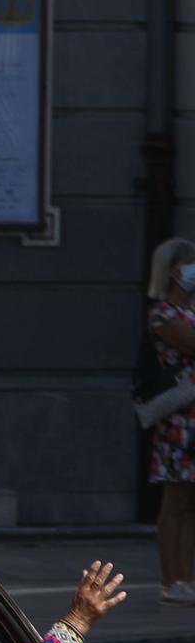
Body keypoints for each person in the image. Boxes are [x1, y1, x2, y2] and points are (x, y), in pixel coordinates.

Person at [145, 237, 195, 604]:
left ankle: (187, 577)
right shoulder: (163, 314)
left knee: (191, 500)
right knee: (175, 498)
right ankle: (170, 579)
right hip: (179, 417)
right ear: (176, 270)